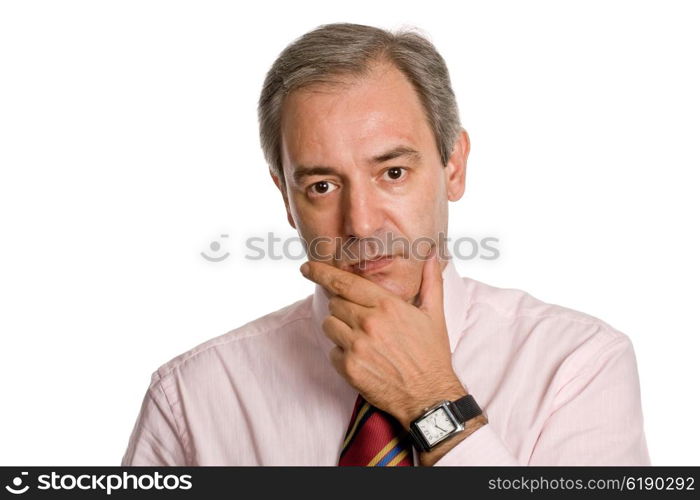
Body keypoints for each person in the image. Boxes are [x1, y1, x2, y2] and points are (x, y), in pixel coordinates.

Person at [121, 23, 650, 466]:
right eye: (322, 186)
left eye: (392, 172)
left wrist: (431, 398)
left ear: (454, 167)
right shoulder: (190, 398)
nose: (362, 224)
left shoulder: (578, 367)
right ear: (286, 199)